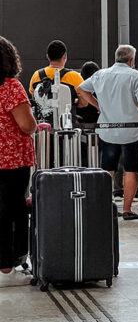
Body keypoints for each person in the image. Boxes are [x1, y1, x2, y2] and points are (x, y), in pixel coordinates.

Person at [78, 45, 138, 220]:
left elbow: (82, 89)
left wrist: (99, 106)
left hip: (108, 129)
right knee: (131, 170)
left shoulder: (101, 74)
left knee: (107, 170)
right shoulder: (135, 76)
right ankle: (127, 209)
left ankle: (103, 208)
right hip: (131, 131)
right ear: (131, 60)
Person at [0, 36, 37, 287]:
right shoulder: (10, 87)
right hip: (11, 161)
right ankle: (7, 266)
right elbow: (26, 124)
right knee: (12, 210)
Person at [29, 40, 83, 123]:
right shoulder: (74, 76)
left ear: (47, 56)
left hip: (43, 127)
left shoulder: (36, 75)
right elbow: (84, 103)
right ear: (65, 56)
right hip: (66, 126)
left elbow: (34, 99)